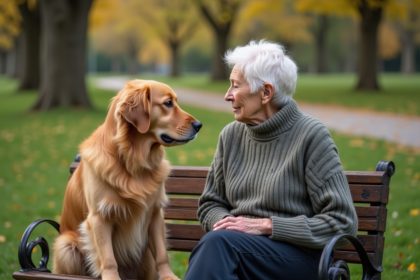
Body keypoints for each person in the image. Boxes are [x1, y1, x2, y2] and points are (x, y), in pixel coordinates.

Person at [183, 40, 358, 280]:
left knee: (218, 245)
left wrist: (267, 226)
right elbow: (210, 204)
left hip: (298, 258)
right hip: (236, 249)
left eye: (235, 86)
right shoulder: (231, 135)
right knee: (220, 244)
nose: (227, 95)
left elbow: (342, 223)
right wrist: (229, 224)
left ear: (266, 92)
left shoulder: (311, 136)